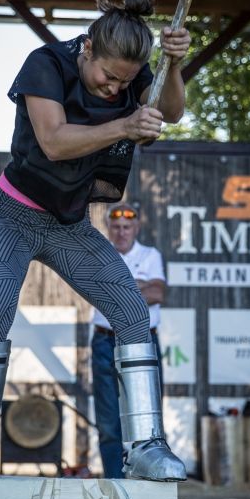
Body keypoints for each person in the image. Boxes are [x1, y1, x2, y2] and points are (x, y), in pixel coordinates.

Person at [0, 0, 190, 481]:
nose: (114, 88)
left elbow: (172, 110)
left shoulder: (128, 74)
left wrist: (174, 63)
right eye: (108, 76)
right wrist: (126, 121)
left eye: (125, 82)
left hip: (69, 226)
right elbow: (55, 142)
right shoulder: (45, 63)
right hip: (11, 215)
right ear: (86, 51)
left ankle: (145, 444)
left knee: (132, 313)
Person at [91, 202, 167, 478]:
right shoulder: (97, 254)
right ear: (108, 228)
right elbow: (99, 293)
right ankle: (115, 482)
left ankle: (150, 481)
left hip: (142, 342)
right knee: (109, 420)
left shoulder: (150, 254)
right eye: (116, 227)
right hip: (104, 342)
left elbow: (158, 294)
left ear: (136, 227)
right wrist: (139, 286)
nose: (122, 232)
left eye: (127, 227)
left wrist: (119, 287)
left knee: (149, 416)